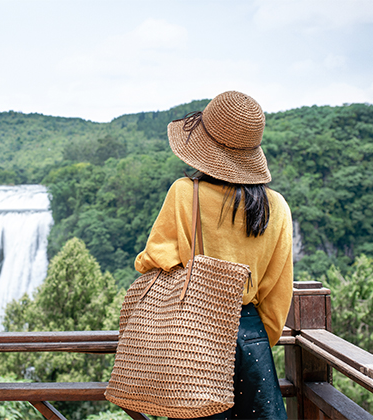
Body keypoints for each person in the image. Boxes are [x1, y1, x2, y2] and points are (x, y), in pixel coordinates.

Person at [134, 91, 293, 419]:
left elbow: (154, 259)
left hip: (196, 335)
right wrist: (259, 335)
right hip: (251, 337)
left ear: (204, 149)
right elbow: (278, 293)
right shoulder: (276, 206)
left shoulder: (184, 193)